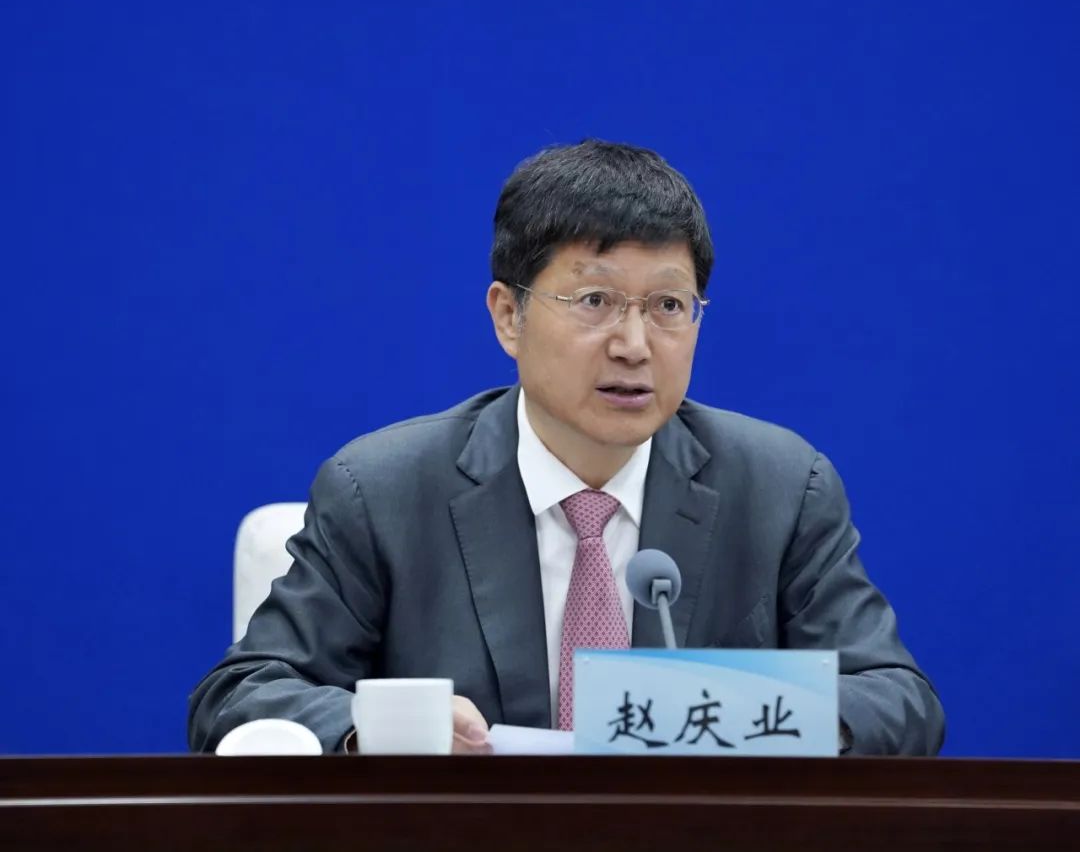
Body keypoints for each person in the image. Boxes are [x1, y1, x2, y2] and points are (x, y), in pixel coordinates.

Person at [188, 139, 945, 755]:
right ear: (508, 317)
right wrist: (377, 729)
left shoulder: (780, 488)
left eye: (669, 305)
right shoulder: (383, 491)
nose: (634, 344)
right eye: (595, 301)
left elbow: (899, 701)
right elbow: (240, 696)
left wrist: (743, 719)